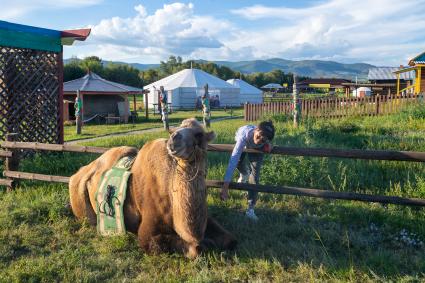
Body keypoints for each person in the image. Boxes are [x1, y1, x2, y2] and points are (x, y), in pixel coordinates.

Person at [220, 121, 275, 220]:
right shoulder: (243, 137)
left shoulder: (265, 139)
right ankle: (244, 174)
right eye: (259, 136)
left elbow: (269, 143)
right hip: (244, 142)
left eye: (263, 140)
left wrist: (270, 145)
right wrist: (225, 187)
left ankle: (250, 209)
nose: (259, 141)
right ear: (256, 130)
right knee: (237, 163)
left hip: (257, 150)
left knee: (254, 176)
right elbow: (233, 160)